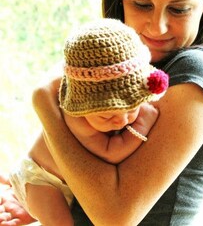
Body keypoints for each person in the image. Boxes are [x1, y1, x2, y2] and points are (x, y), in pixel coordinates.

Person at [0, 0, 203, 225]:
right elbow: (82, 159)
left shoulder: (198, 73)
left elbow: (115, 218)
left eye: (178, 9)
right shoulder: (127, 66)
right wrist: (42, 193)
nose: (157, 26)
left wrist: (46, 105)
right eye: (141, 4)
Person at [7, 19, 169, 226]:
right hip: (41, 180)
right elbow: (111, 153)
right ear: (82, 107)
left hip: (66, 182)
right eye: (107, 116)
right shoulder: (77, 120)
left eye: (132, 108)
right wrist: (141, 125)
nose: (122, 120)